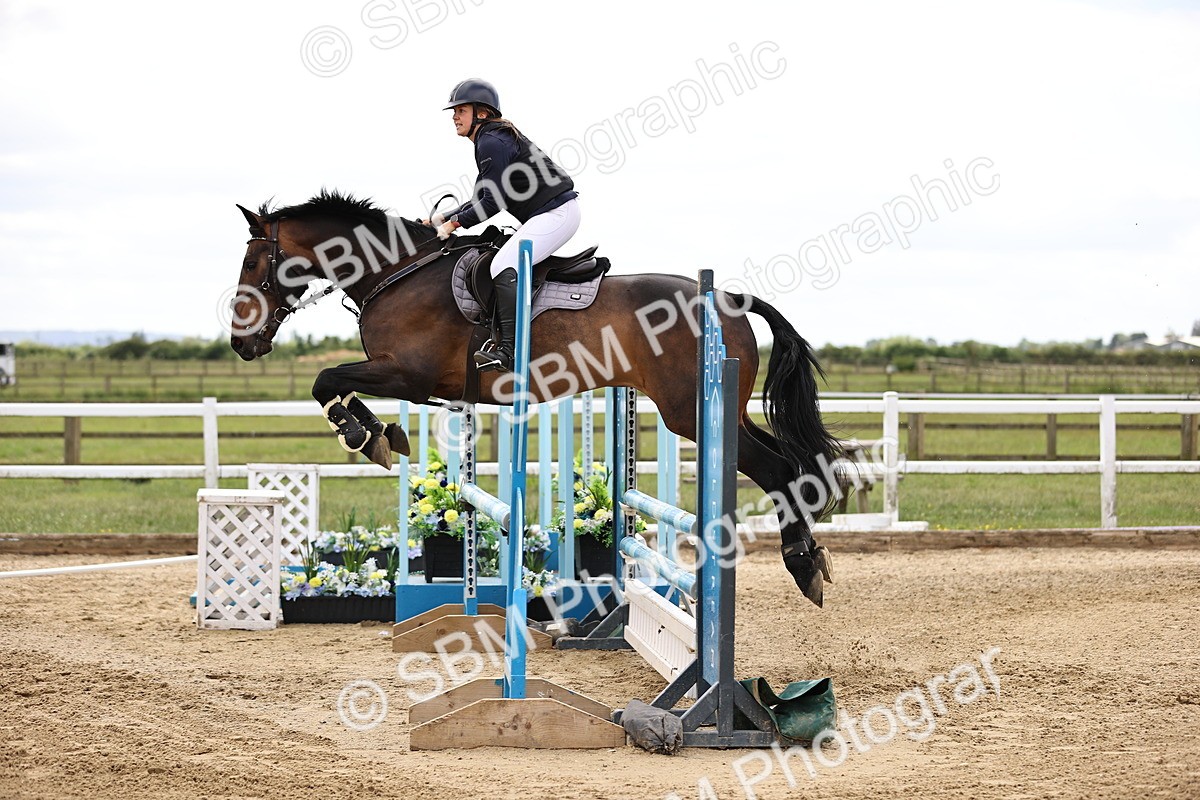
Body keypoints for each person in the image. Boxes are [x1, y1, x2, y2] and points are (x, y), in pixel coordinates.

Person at [426, 79, 580, 373]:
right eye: (454, 111)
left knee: (502, 266)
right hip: (550, 214)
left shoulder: (491, 141)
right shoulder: (490, 139)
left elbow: (491, 204)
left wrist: (455, 224)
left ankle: (510, 351)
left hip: (557, 214)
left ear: (481, 113)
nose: (454, 117)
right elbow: (479, 200)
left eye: (460, 110)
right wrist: (440, 219)